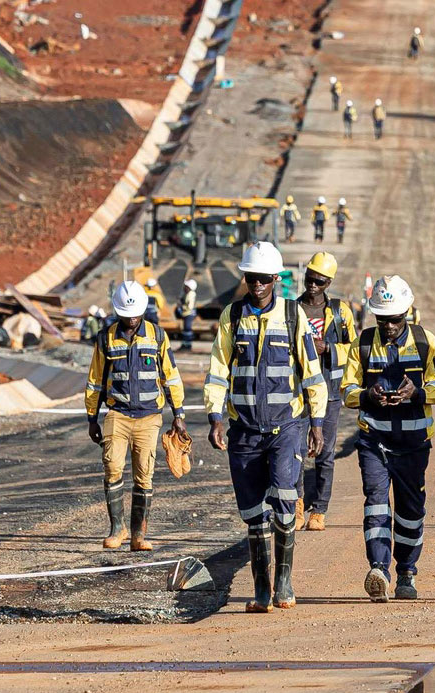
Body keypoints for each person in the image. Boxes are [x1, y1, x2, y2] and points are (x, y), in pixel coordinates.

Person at [204, 242, 327, 612]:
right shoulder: (233, 315)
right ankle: (261, 589)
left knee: (286, 502)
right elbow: (218, 368)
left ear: (276, 279)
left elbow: (311, 372)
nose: (256, 285)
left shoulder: (292, 316)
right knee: (253, 512)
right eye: (251, 278)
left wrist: (316, 424)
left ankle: (284, 584)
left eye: (263, 279)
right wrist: (214, 417)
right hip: (243, 429)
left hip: (286, 426)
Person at [343, 275, 435, 601]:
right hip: (373, 441)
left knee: (410, 511)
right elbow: (347, 388)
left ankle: (406, 571)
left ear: (406, 312)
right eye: (382, 318)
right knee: (376, 502)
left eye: (394, 319)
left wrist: (417, 393)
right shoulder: (363, 344)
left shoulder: (425, 342)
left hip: (413, 444)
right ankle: (378, 568)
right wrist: (367, 396)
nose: (389, 325)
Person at [84, 281, 183, 551]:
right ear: (117, 312)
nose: (132, 319)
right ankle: (118, 529)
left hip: (149, 417)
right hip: (117, 413)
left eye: (136, 314)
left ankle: (139, 534)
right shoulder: (106, 338)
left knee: (144, 474)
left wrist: (179, 414)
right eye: (126, 315)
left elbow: (170, 376)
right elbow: (95, 380)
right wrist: (92, 417)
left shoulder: (157, 336)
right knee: (112, 467)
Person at [296, 252, 358, 531]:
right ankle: (295, 507)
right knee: (294, 452)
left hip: (330, 392)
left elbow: (356, 351)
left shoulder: (339, 311)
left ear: (328, 282)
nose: (313, 285)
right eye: (310, 279)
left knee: (325, 452)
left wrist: (329, 349)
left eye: (319, 281)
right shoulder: (291, 310)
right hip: (297, 392)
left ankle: (319, 510)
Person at [179, 273, 202, 347]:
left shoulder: (191, 294)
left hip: (188, 314)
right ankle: (185, 344)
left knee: (187, 330)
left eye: (186, 286)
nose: (184, 288)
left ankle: (187, 345)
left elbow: (190, 306)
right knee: (186, 329)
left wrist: (182, 307)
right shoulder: (188, 294)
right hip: (187, 314)